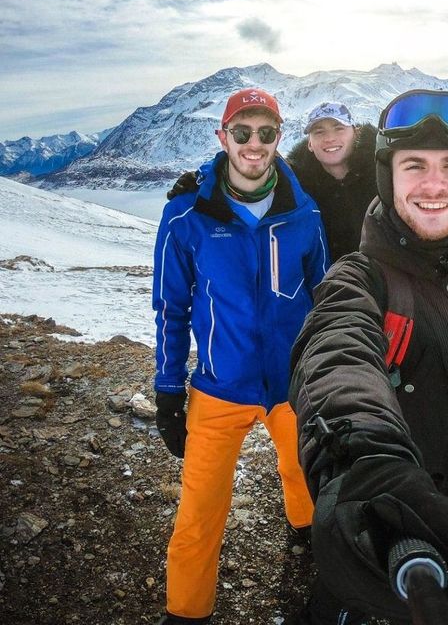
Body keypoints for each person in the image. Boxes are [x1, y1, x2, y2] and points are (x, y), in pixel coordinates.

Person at [288, 89, 448, 624]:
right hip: (384, 522)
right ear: (388, 177)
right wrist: (368, 458)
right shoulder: (360, 280)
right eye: (414, 166)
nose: (433, 184)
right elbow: (336, 358)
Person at [152, 88, 329, 624]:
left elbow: (325, 302)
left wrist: (330, 376)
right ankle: (186, 612)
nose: (254, 144)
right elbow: (171, 309)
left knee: (306, 476)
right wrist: (167, 391)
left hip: (292, 386)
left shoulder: (305, 215)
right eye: (243, 132)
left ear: (279, 138)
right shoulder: (186, 218)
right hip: (217, 388)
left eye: (266, 133)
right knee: (200, 512)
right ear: (222, 137)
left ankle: (308, 537)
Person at [286, 101, 378, 261]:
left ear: (356, 133)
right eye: (319, 132)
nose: (329, 138)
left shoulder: (383, 175)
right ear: (309, 144)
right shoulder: (296, 188)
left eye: (339, 128)